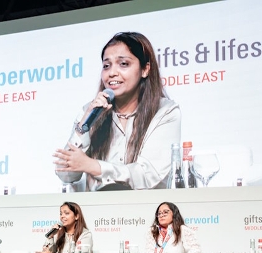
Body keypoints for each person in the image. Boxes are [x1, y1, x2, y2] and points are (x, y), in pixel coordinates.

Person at [54, 31, 181, 192]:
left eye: (123, 64)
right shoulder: (90, 110)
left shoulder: (165, 111)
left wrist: (94, 166)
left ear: (145, 69)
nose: (112, 72)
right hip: (98, 212)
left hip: (145, 211)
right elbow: (66, 176)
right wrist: (84, 125)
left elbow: (149, 174)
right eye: (106, 66)